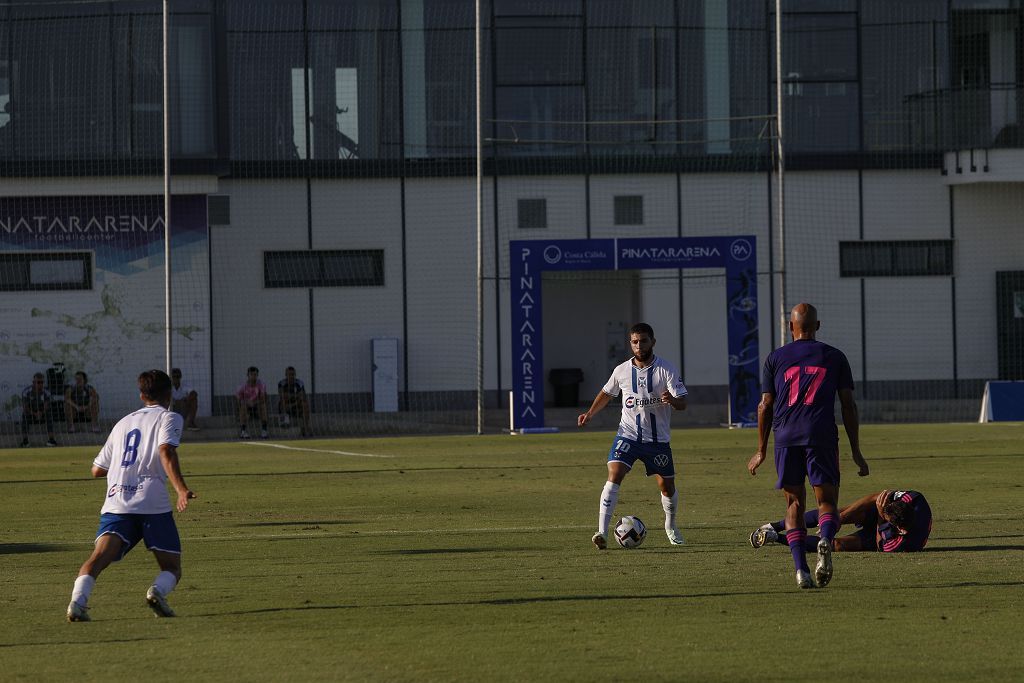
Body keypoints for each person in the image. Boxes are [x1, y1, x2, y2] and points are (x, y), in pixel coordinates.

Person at [748, 303, 870, 589]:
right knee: (826, 502)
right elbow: (848, 405)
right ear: (817, 326)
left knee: (794, 503)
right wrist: (856, 451)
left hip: (786, 438)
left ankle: (801, 570)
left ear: (791, 327)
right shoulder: (835, 356)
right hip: (821, 436)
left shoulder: (775, 358)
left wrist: (761, 450)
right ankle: (825, 538)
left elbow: (765, 405)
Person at [65, 369, 196, 622]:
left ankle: (77, 603)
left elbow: (96, 470)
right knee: (172, 567)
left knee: (99, 558)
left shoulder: (122, 423)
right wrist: (181, 488)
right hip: (151, 501)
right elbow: (166, 451)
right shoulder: (169, 418)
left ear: (141, 395)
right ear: (169, 393)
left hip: (117, 500)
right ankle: (156, 592)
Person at [578, 323, 689, 549]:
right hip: (627, 435)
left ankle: (671, 525)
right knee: (615, 473)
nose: (639, 346)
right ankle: (602, 532)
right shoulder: (621, 370)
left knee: (667, 487)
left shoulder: (666, 369)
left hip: (657, 442)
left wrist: (673, 401)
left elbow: (683, 403)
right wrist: (590, 413)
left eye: (644, 341)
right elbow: (607, 393)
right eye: (635, 342)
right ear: (631, 343)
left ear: (653, 342)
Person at [750, 488, 932, 553]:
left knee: (836, 545)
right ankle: (775, 526)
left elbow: (879, 543)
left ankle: (774, 537)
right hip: (882, 515)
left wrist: (880, 516)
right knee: (836, 513)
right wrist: (839, 519)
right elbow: (876, 497)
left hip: (880, 534)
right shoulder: (914, 499)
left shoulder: (904, 543)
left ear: (900, 529)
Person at [21, 372, 57, 447]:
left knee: (49, 415)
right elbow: (25, 407)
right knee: (24, 415)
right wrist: (34, 413)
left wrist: (41, 413)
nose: (40, 384)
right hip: (31, 413)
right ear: (33, 382)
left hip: (42, 413)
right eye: (38, 382)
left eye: (42, 382)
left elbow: (47, 406)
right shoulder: (26, 392)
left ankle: (51, 440)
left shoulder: (46, 392)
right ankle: (25, 441)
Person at [237, 366, 269, 439]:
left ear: (257, 375)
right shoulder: (242, 386)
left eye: (255, 375)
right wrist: (247, 402)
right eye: (251, 374)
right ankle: (243, 431)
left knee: (263, 406)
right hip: (246, 406)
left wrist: (255, 402)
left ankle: (264, 430)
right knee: (243, 406)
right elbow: (238, 399)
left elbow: (263, 398)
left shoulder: (261, 384)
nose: (253, 377)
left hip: (257, 405)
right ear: (248, 375)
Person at [277, 366, 311, 436]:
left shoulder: (299, 383)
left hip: (296, 405)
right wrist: (296, 396)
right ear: (286, 375)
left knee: (305, 404)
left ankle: (306, 429)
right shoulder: (282, 383)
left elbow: (303, 396)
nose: (291, 376)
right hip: (287, 406)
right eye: (289, 374)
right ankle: (285, 424)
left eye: (293, 374)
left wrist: (291, 397)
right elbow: (282, 396)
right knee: (283, 402)